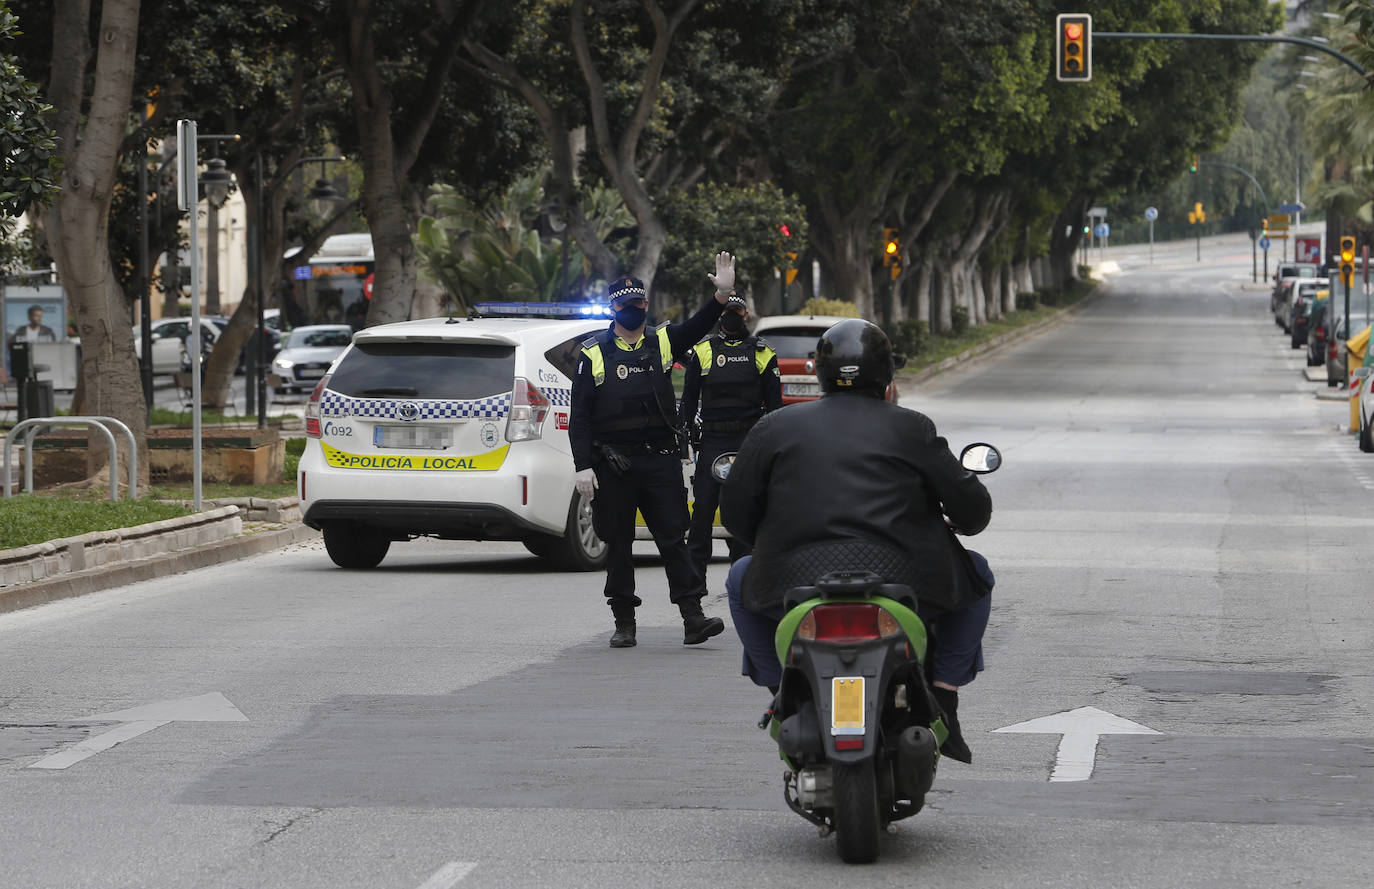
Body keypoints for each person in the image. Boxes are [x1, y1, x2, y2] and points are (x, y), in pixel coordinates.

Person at [719, 318, 994, 763]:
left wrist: (769, 540)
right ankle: (944, 696)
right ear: (886, 375)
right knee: (977, 571)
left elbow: (736, 515)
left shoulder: (773, 428)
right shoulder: (913, 428)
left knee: (738, 578)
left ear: (819, 372)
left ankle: (779, 692)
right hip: (906, 583)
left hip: (793, 582)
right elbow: (973, 510)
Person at [569, 254, 738, 649]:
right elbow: (581, 417)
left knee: (672, 539)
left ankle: (693, 617)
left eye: (640, 305)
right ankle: (624, 621)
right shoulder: (594, 353)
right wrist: (582, 466)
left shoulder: (662, 341)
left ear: (646, 305)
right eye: (626, 306)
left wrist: (722, 294)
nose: (634, 312)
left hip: (659, 459)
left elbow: (698, 325)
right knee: (619, 543)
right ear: (613, 308)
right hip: (613, 464)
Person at [678, 294, 781, 581]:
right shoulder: (704, 351)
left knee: (746, 509)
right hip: (712, 440)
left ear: (745, 314)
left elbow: (775, 407)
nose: (731, 316)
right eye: (726, 311)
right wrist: (682, 436)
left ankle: (745, 576)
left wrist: (774, 446)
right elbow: (688, 400)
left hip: (749, 441)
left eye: (735, 311)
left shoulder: (762, 353)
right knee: (703, 512)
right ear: (719, 315)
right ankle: (694, 579)